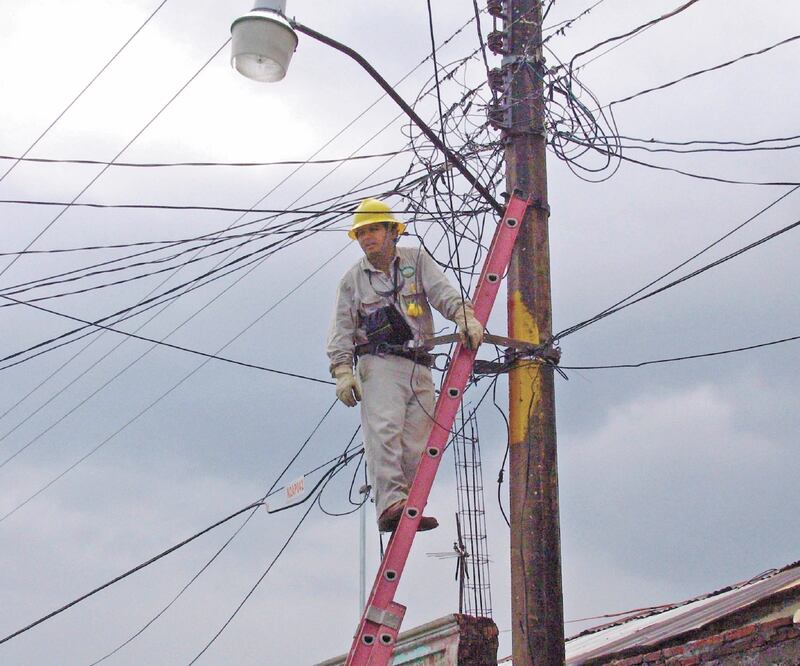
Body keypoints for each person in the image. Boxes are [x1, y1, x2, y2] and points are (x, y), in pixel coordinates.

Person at [326, 198, 484, 532]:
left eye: (373, 230)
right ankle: (390, 504)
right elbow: (341, 330)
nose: (368, 238)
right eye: (362, 233)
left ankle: (408, 505)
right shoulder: (353, 280)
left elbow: (443, 293)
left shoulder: (416, 261)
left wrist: (463, 317)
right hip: (379, 362)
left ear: (391, 231)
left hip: (420, 362)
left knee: (417, 442)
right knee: (385, 432)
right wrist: (342, 372)